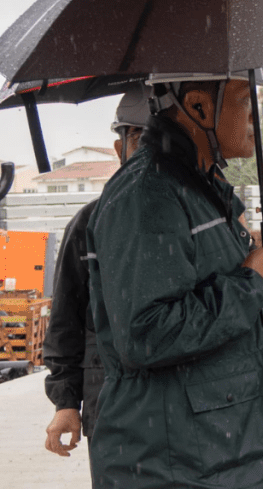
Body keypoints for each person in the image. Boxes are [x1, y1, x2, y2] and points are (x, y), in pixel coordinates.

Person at [86, 70, 263, 489]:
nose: (256, 116)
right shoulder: (148, 195)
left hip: (216, 452)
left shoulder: (199, 183)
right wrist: (252, 284)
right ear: (200, 106)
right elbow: (145, 334)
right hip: (172, 463)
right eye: (244, 101)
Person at [43, 83, 150, 462]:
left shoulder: (205, 218)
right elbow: (65, 320)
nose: (151, 154)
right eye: (140, 139)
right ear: (120, 148)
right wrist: (66, 401)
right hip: (111, 404)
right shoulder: (90, 222)